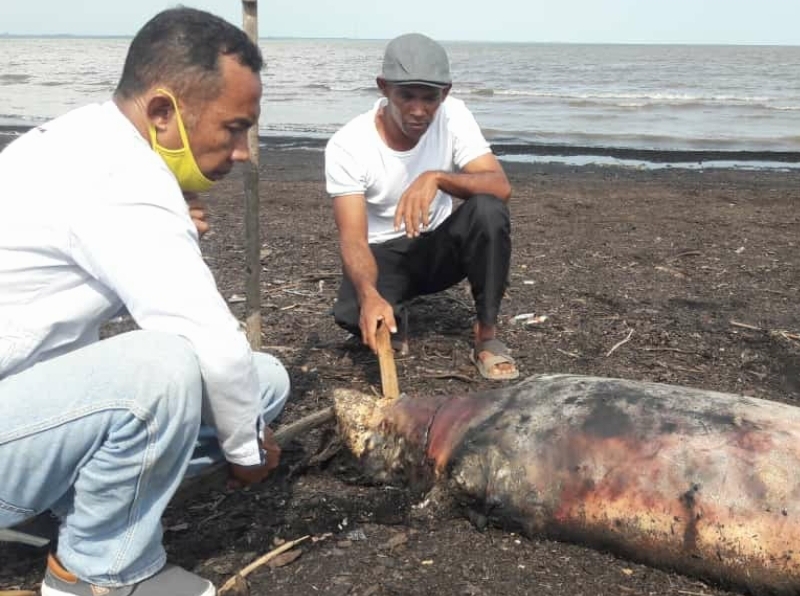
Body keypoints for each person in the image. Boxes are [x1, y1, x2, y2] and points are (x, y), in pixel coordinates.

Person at [0, 8, 289, 596]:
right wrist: (247, 456)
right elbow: (207, 339)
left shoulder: (87, 142)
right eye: (233, 128)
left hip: (19, 400)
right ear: (162, 113)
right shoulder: (119, 177)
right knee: (162, 369)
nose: (241, 151)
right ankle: (99, 573)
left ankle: (67, 504)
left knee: (264, 385)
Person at [325, 33, 519, 381]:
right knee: (352, 312)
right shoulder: (348, 145)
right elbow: (352, 239)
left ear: (445, 93)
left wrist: (437, 178)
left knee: (488, 210)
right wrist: (369, 294)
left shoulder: (453, 115)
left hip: (438, 248)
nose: (418, 110)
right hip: (384, 256)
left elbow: (499, 185)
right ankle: (393, 311)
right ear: (384, 88)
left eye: (430, 98)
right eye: (406, 96)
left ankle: (486, 336)